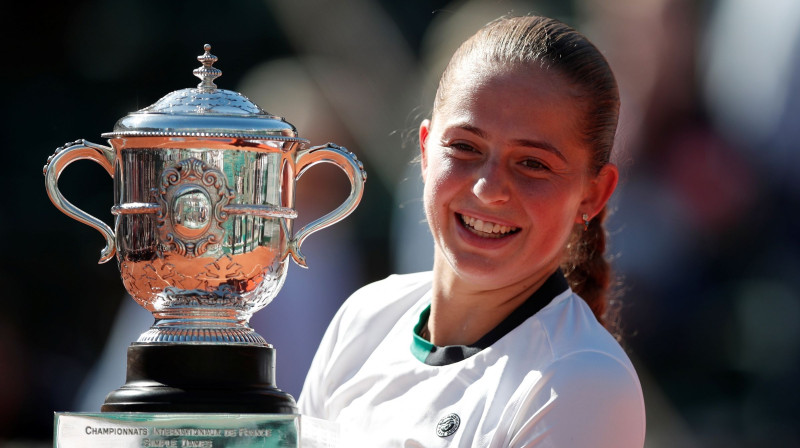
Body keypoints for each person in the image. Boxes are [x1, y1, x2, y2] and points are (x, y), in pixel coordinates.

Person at [299, 15, 646, 447]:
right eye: (465, 147)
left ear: (593, 195)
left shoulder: (585, 379)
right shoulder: (364, 317)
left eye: (533, 164)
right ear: (425, 151)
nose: (488, 189)